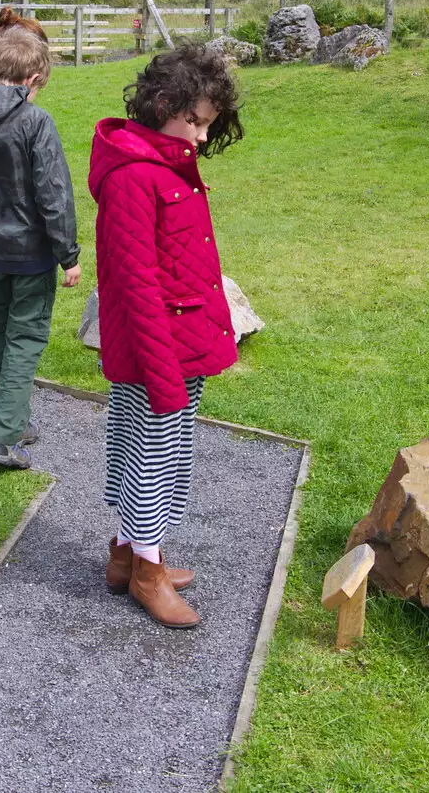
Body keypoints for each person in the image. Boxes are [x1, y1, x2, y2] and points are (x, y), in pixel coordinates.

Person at [87, 45, 245, 628]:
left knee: (159, 455)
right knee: (150, 459)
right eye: (196, 122)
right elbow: (134, 284)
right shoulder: (134, 175)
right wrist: (162, 376)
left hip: (182, 346)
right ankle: (147, 574)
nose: (203, 137)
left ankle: (127, 558)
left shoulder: (165, 165)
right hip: (157, 354)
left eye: (208, 124)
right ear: (162, 104)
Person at [0, 28, 80, 469]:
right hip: (29, 250)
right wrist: (69, 254)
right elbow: (53, 191)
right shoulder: (35, 122)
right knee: (25, 339)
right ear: (32, 77)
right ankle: (2, 440)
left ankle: (15, 420)